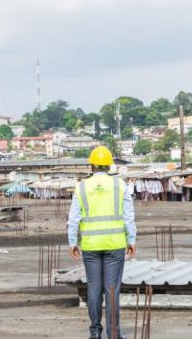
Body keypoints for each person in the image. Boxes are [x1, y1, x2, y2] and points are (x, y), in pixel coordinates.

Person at [67, 145, 137, 339]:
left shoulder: (81, 186)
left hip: (90, 245)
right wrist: (131, 239)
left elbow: (73, 218)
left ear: (92, 166)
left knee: (94, 288)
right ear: (109, 166)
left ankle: (95, 332)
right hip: (115, 244)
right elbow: (128, 216)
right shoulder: (120, 185)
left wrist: (73, 242)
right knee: (112, 289)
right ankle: (113, 333)